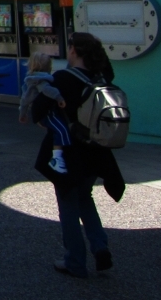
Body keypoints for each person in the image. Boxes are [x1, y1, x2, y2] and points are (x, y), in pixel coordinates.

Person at [32, 33, 124, 278]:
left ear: (73, 50)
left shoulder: (62, 78)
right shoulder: (102, 77)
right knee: (85, 197)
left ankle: (75, 261)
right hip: (97, 151)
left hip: (68, 151)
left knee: (68, 203)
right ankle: (100, 245)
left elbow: (37, 110)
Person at [19, 51, 68, 173]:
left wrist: (23, 113)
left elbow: (24, 100)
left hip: (40, 113)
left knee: (57, 130)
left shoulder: (30, 81)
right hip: (46, 112)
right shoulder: (41, 80)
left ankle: (58, 155)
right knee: (61, 130)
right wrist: (59, 98)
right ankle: (57, 158)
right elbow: (47, 90)